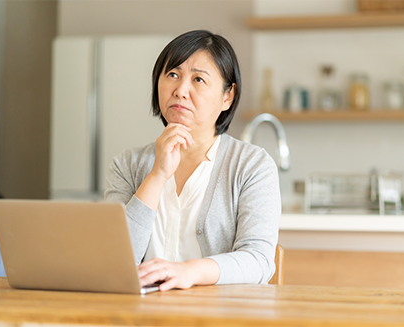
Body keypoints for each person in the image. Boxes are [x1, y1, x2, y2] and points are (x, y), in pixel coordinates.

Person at [104, 30, 281, 292]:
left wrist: (190, 270)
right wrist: (157, 176)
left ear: (227, 97)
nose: (181, 90)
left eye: (198, 79)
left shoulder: (252, 165)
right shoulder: (127, 164)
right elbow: (113, 260)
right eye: (173, 75)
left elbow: (258, 261)